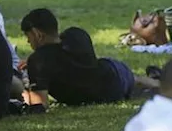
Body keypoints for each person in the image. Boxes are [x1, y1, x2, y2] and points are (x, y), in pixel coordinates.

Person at [20, 9, 155, 107]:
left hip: (107, 90)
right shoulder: (76, 35)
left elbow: (40, 104)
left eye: (28, 37)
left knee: (134, 80)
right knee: (133, 79)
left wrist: (25, 85)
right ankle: (158, 82)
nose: (28, 42)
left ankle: (155, 80)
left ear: (37, 34)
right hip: (113, 80)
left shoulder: (38, 62)